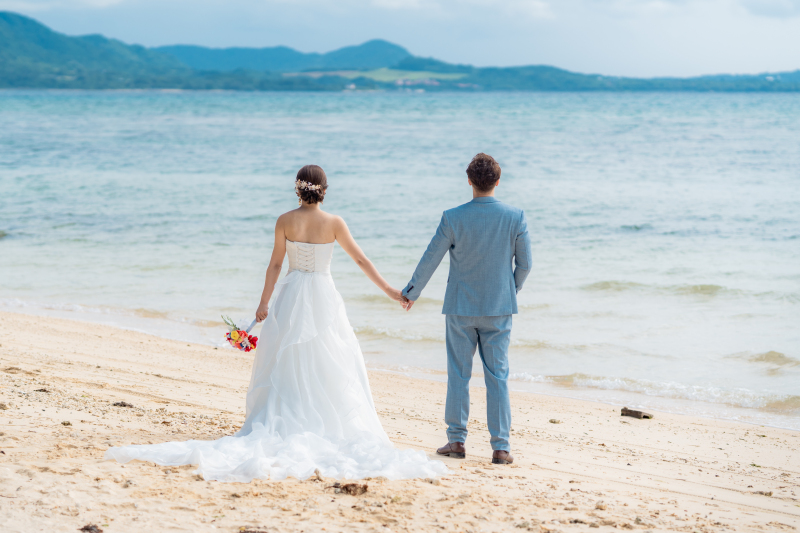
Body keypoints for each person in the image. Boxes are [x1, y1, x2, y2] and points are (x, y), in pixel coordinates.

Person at [105, 165, 447, 482]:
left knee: (286, 356)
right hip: (323, 295)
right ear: (324, 191)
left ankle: (289, 412)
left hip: (292, 293)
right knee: (329, 356)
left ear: (297, 190)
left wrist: (264, 302)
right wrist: (391, 291)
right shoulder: (335, 222)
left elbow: (275, 265)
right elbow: (360, 259)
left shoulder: (284, 220)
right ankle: (323, 417)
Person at [401, 153, 531, 465]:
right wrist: (510, 290)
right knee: (497, 376)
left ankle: (456, 441)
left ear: (469, 181)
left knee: (458, 375)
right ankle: (501, 447)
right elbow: (525, 264)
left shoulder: (453, 217)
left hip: (460, 308)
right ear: (498, 182)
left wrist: (411, 292)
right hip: (498, 308)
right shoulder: (515, 217)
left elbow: (431, 257)